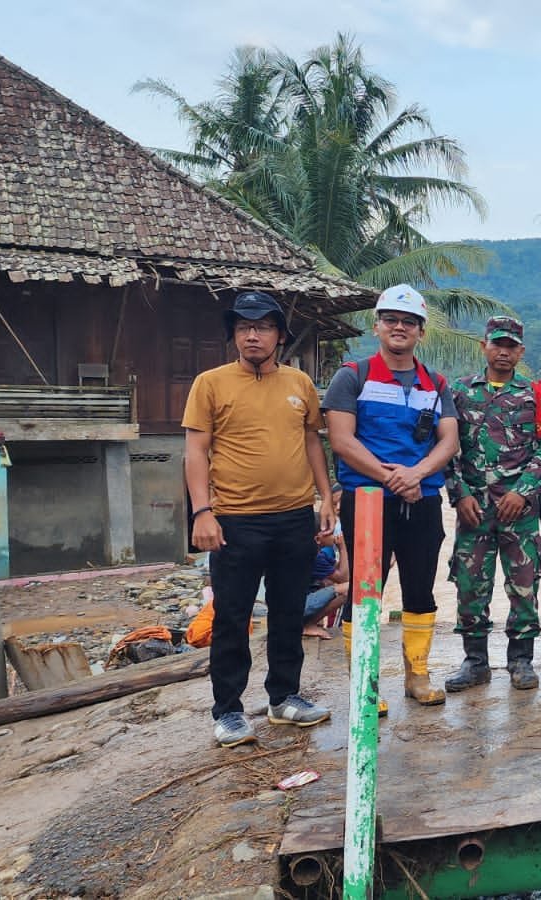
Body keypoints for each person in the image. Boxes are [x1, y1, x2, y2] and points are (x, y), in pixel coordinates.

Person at [182, 291, 337, 748]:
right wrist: (202, 512)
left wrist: (325, 499)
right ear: (234, 334)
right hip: (234, 519)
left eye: (263, 326)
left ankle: (284, 697)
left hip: (293, 517)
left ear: (279, 335)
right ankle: (228, 710)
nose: (252, 335)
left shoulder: (299, 384)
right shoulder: (210, 383)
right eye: (243, 327)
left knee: (289, 612)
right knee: (233, 615)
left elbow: (312, 444)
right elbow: (195, 451)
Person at [325, 285, 459, 708]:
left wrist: (416, 473)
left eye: (409, 322)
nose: (399, 327)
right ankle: (365, 683)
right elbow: (342, 441)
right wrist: (390, 476)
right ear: (377, 326)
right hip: (366, 500)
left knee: (420, 588)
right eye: (391, 320)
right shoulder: (353, 376)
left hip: (422, 499)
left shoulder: (435, 384)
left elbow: (449, 441)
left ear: (420, 331)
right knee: (367, 591)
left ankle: (417, 675)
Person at [444, 315, 541, 691]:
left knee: (524, 586)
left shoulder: (536, 394)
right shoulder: (459, 392)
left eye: (511, 346)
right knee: (469, 587)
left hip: (519, 512)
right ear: (485, 346)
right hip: (473, 510)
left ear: (520, 351)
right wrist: (458, 493)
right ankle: (475, 662)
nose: (504, 351)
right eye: (498, 344)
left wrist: (522, 491)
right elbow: (444, 447)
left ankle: (521, 661)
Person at [302, 526, 347, 640]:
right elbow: (344, 578)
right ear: (318, 539)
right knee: (348, 589)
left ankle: (309, 622)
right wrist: (342, 548)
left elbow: (340, 571)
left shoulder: (320, 554)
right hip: (297, 607)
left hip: (298, 605)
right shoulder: (313, 557)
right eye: (331, 533)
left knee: (330, 583)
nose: (335, 535)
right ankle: (307, 625)